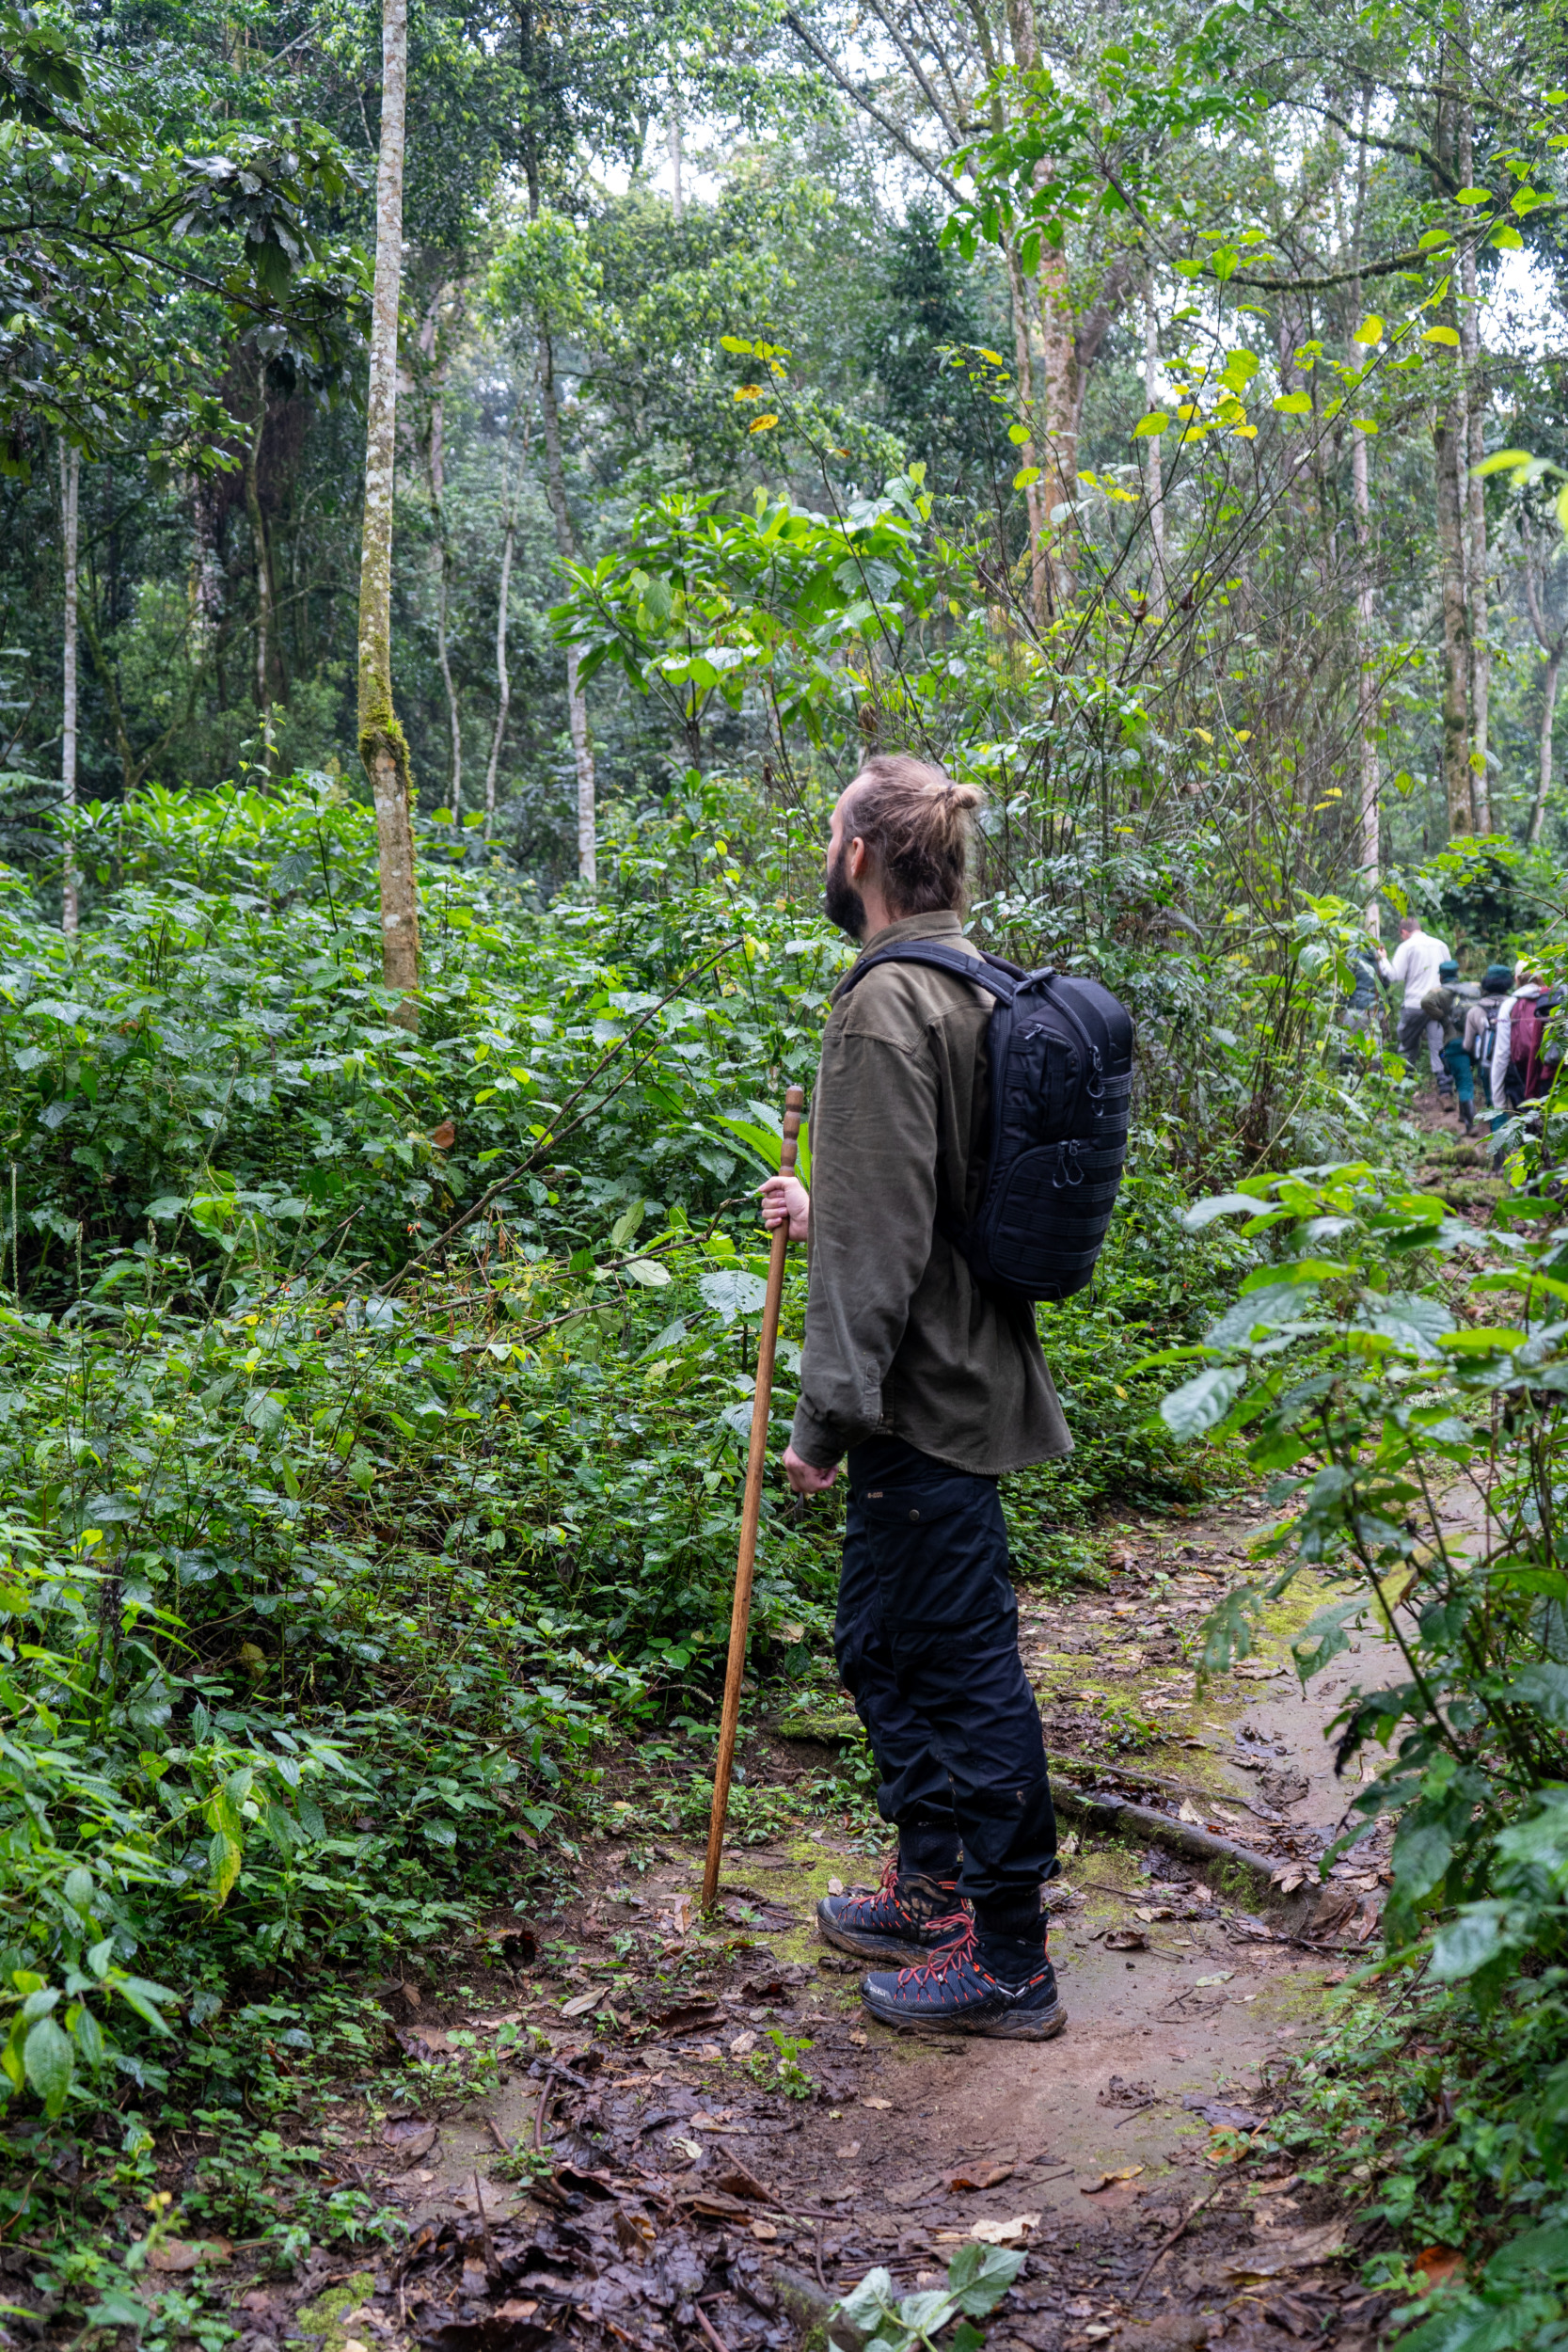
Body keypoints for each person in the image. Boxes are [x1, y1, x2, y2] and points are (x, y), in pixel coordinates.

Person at [758, 753, 1071, 2042]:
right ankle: (931, 1884)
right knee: (882, 1646)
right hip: (950, 1374)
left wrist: (818, 1425)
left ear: (859, 860)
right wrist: (824, 1205)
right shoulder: (964, 986)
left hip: (918, 1400)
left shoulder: (887, 1006)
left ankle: (1004, 1957)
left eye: (831, 830)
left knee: (955, 1671)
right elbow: (919, 1206)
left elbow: (878, 1255)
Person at [1379, 913, 1454, 1095]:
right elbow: (1450, 974)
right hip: (1437, 1004)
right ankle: (1445, 1088)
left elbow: (1394, 975)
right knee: (1438, 1046)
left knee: (1407, 1046)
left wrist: (1382, 958)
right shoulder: (1440, 945)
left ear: (1404, 932)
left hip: (1414, 1004)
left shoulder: (1407, 946)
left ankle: (1404, 1088)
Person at [1419, 960, 1476, 1133]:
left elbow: (1425, 1001)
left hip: (1454, 1041)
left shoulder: (1439, 993)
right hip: (1474, 1040)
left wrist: (1442, 1017)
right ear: (1457, 974)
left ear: (1441, 976)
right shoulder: (1469, 988)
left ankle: (1470, 1125)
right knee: (1466, 1077)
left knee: (1463, 1082)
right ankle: (1463, 1115)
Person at [1464, 964, 1513, 1114]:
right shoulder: (1516, 1005)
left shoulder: (1475, 1010)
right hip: (1513, 1062)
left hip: (1488, 1062)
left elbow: (1467, 1045)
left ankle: (1498, 1132)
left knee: (1493, 1105)